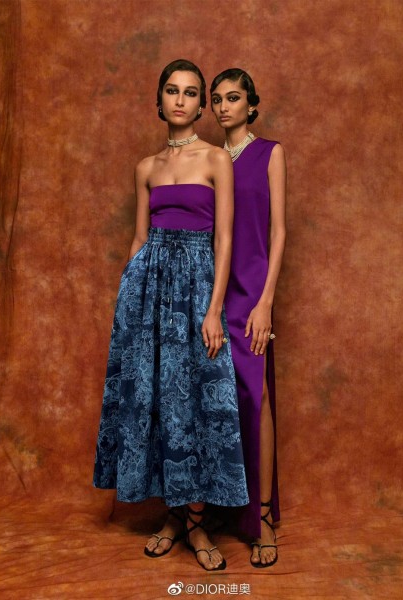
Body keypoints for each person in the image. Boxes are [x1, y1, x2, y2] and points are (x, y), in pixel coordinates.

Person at [93, 59, 249, 572]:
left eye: (190, 93)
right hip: (149, 292)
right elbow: (140, 238)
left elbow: (224, 239)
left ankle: (198, 523)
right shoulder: (147, 167)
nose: (180, 100)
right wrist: (128, 301)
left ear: (201, 105)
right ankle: (175, 517)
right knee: (159, 402)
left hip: (199, 285)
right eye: (172, 91)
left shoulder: (216, 159)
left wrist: (213, 309)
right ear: (159, 100)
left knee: (200, 403)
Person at [210, 68, 287, 568]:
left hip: (253, 292)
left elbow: (279, 232)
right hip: (213, 290)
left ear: (251, 105)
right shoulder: (210, 158)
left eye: (233, 98)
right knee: (215, 402)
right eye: (216, 99)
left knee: (256, 397)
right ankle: (213, 509)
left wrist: (266, 301)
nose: (223, 107)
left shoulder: (270, 153)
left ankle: (262, 517)